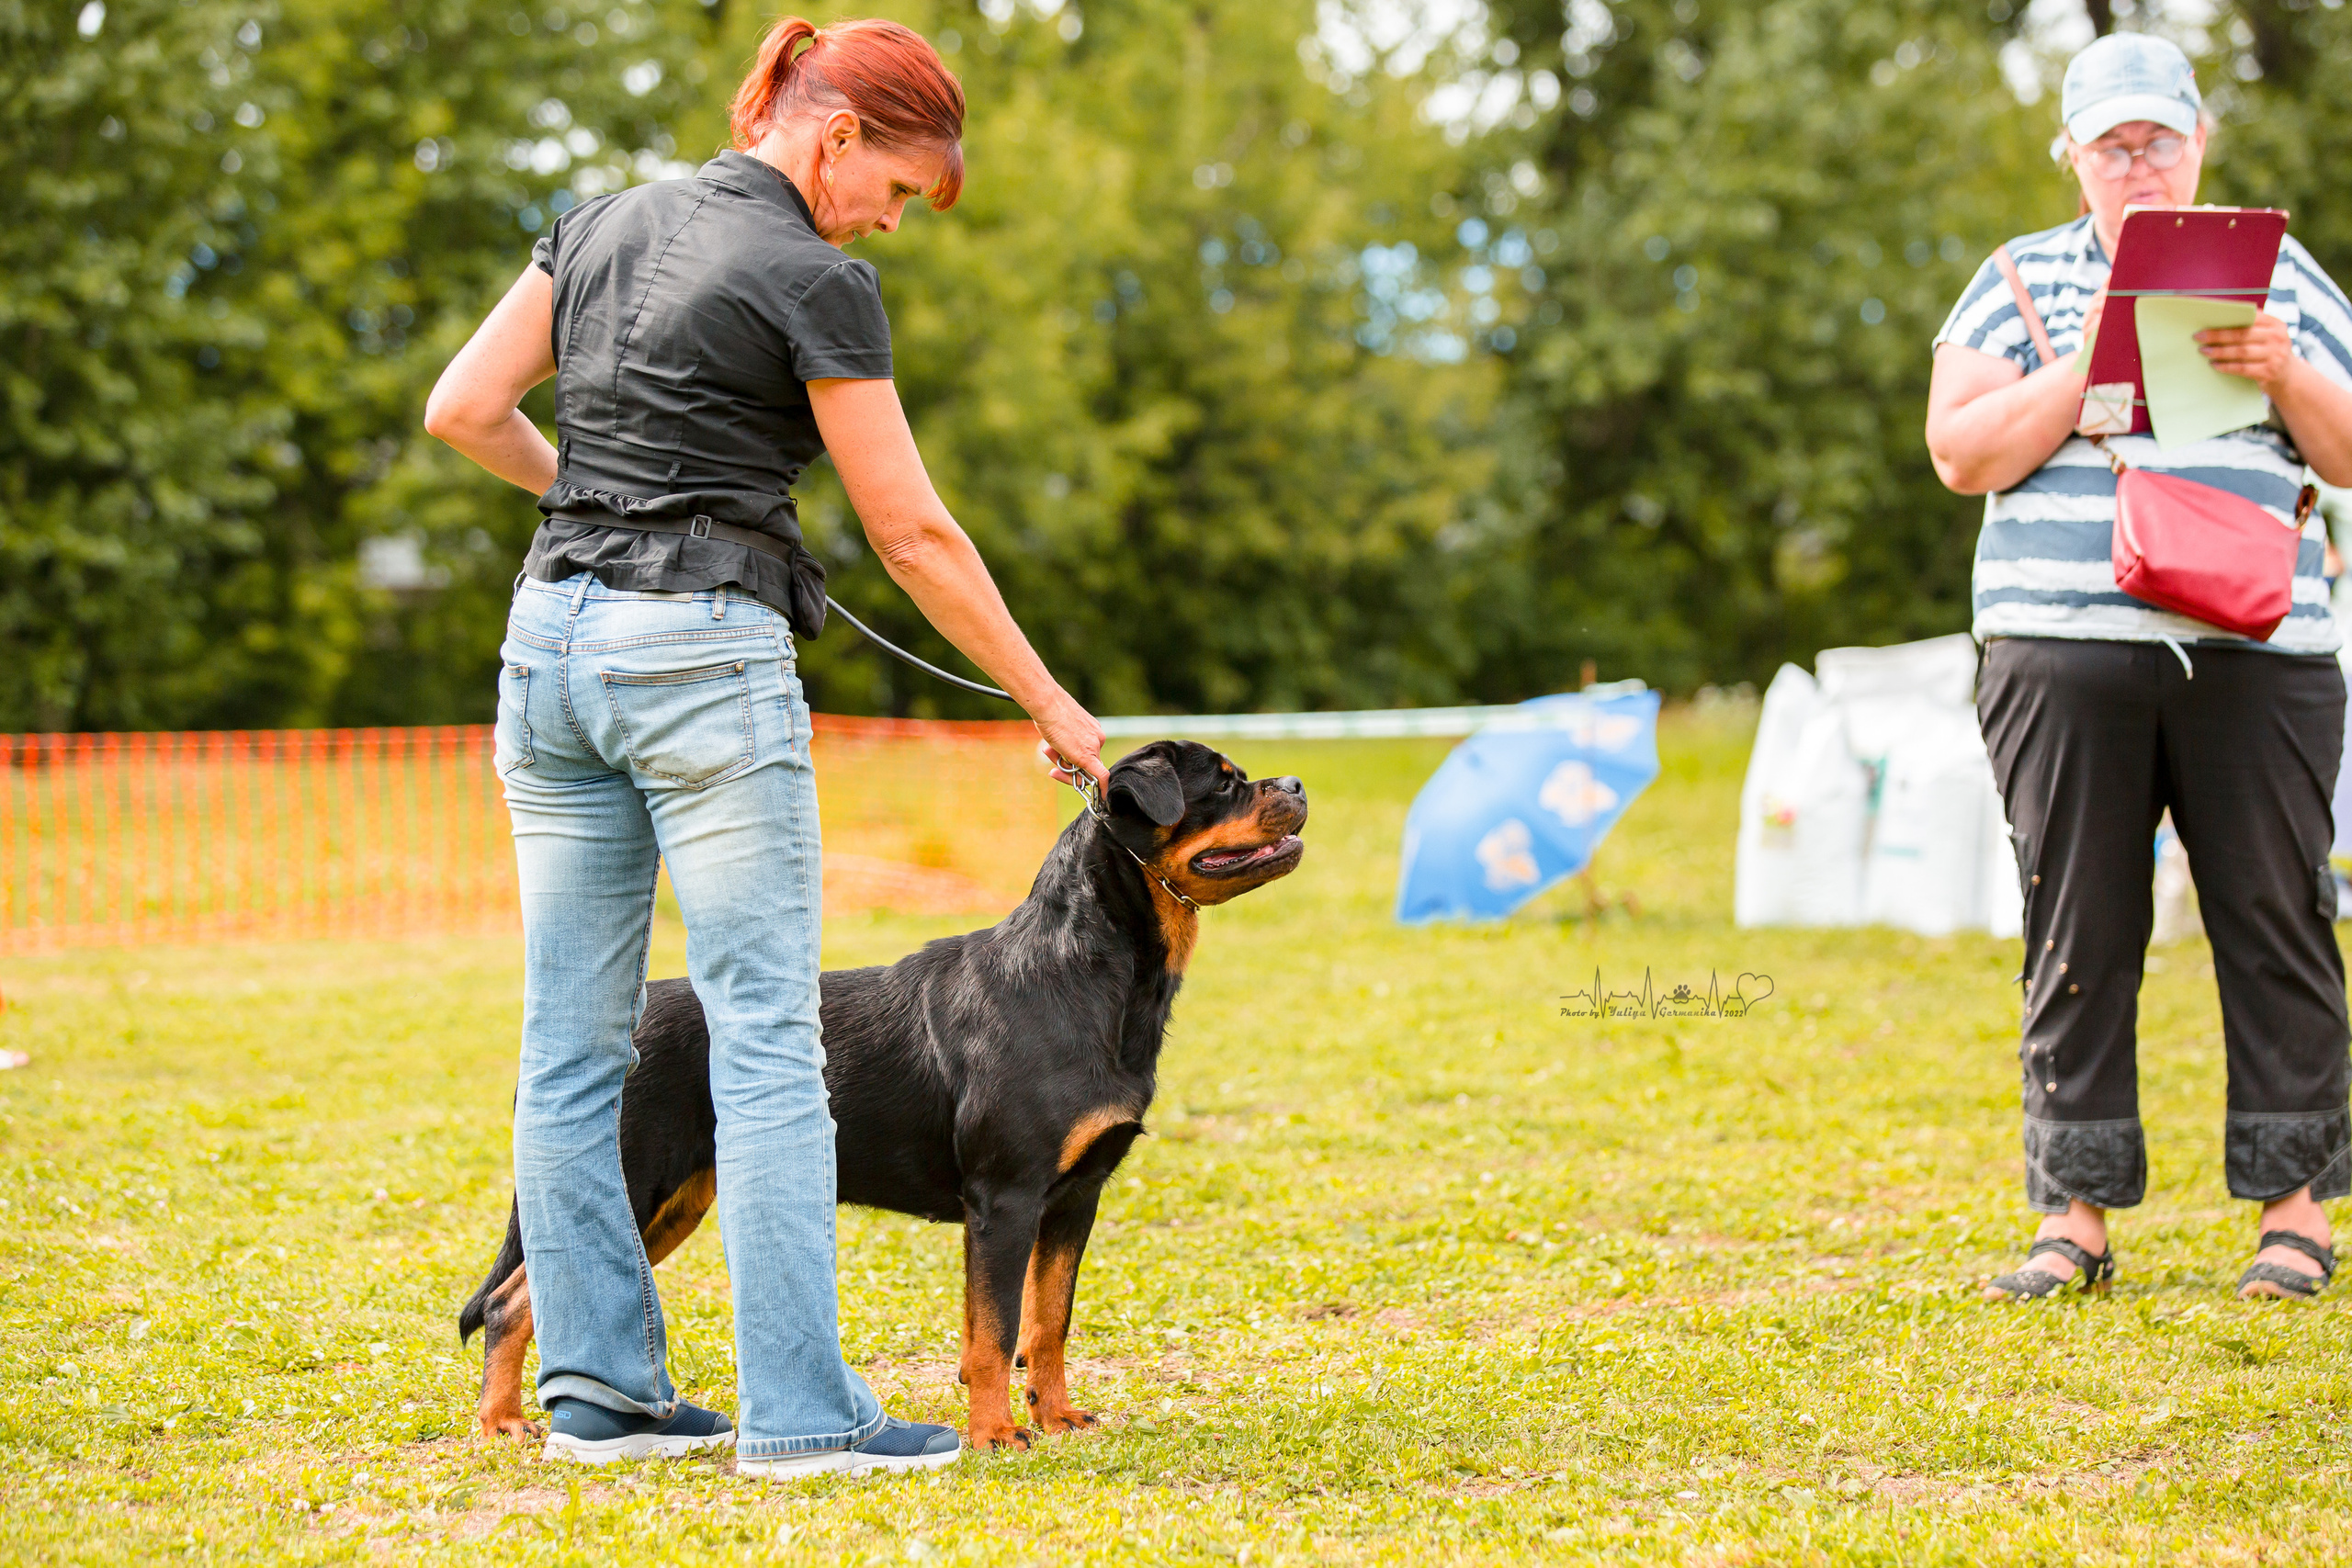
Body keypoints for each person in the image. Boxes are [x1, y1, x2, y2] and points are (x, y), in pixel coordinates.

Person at [424, 16, 1108, 1474]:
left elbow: (464, 410)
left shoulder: (599, 223)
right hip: (699, 653)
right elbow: (912, 530)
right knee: (767, 1038)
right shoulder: (818, 275)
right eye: (903, 191)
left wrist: (594, 506)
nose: (892, 224)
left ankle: (600, 1395)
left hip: (548, 642)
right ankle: (803, 1414)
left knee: (569, 1041)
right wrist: (1049, 701)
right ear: (839, 134)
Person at [1926, 32, 2352, 1303]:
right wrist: (2084, 363)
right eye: (2112, 144)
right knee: (2078, 927)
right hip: (2061, 658)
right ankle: (2074, 1221)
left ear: (2199, 143)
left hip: (2259, 654)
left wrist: (2283, 367)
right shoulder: (2013, 279)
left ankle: (2296, 1214)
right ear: (2072, 156)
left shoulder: (2277, 275)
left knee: (2276, 919)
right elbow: (1960, 453)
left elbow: (2348, 455)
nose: (2138, 163)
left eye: (2159, 138)